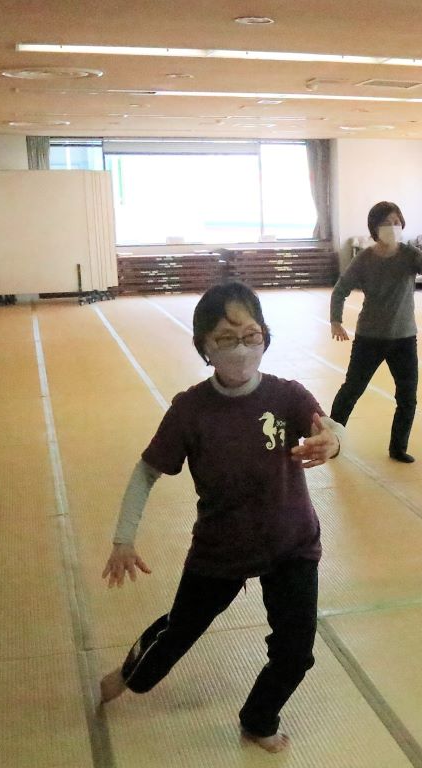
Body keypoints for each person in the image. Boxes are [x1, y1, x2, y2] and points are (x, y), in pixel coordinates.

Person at [99, 281, 344, 754]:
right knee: (178, 632)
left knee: (296, 653)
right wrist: (123, 539)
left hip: (292, 544)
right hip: (221, 549)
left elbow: (328, 428)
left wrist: (333, 442)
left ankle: (258, 719)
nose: (241, 350)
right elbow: (146, 472)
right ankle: (133, 672)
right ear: (204, 347)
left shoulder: (287, 396)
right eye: (226, 340)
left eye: (251, 336)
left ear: (265, 336)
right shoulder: (190, 410)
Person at [329, 201, 422, 463]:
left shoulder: (410, 254)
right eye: (386, 223)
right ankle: (331, 438)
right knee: (352, 389)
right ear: (374, 228)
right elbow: (340, 289)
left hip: (404, 338)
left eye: (396, 222)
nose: (392, 227)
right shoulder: (364, 259)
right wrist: (336, 321)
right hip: (369, 338)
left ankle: (398, 448)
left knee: (407, 397)